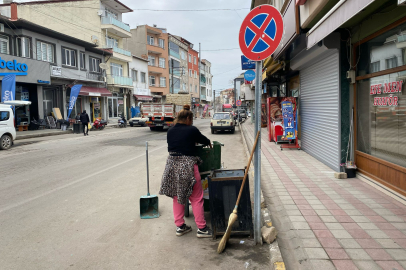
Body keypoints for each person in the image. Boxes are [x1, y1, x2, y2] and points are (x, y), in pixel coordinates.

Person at [159, 105, 213, 238]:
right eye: (192, 119)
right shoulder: (191, 130)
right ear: (188, 118)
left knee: (178, 197)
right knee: (196, 198)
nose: (192, 122)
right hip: (187, 166)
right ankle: (202, 228)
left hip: (171, 165)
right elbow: (204, 140)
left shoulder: (170, 130)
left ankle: (180, 226)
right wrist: (208, 142)